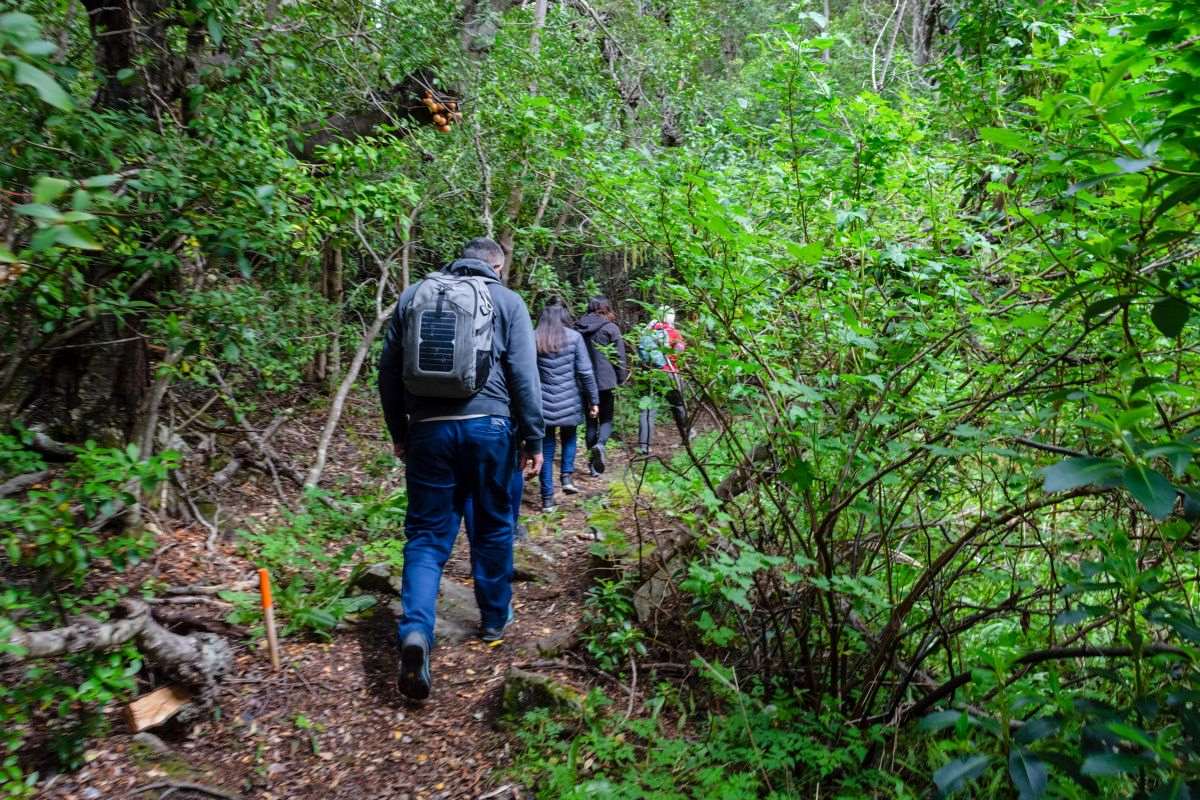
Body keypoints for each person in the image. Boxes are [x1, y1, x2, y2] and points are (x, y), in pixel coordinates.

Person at [378, 237, 544, 701]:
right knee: (492, 526)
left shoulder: (414, 296)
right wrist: (534, 438)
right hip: (491, 428)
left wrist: (400, 431)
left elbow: (388, 371)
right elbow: (523, 375)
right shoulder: (507, 301)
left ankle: (415, 631)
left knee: (427, 537)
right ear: (497, 265)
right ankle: (493, 620)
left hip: (428, 429)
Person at [534, 302, 599, 512]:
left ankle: (547, 499)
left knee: (546, 448)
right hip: (570, 399)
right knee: (569, 437)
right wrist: (594, 400)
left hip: (542, 402)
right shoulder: (574, 337)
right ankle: (567, 478)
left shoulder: (534, 337)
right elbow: (585, 372)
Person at [575, 296, 629, 475]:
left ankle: (593, 468)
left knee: (590, 421)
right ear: (606, 308)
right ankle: (600, 445)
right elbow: (619, 357)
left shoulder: (578, 328)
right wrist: (620, 378)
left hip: (584, 382)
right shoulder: (611, 328)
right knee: (606, 418)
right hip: (606, 382)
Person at [636, 307, 689, 454]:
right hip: (668, 373)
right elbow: (679, 352)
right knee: (678, 405)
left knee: (648, 409)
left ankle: (644, 445)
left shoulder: (647, 331)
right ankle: (687, 435)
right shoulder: (673, 333)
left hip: (650, 375)